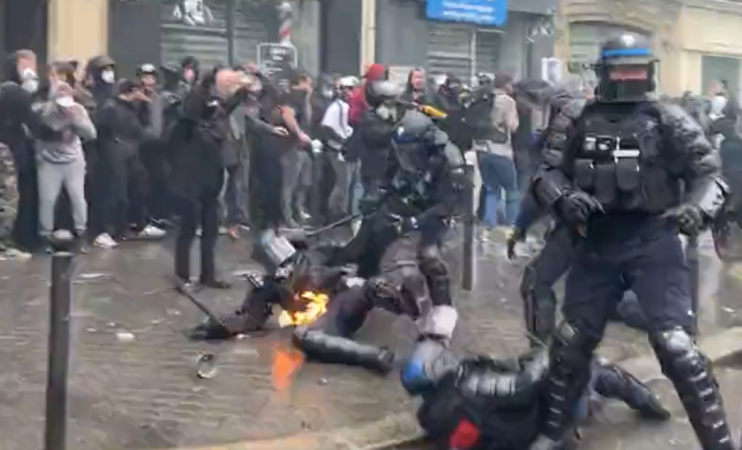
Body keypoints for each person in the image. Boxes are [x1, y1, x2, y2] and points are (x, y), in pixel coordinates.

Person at [527, 33, 733, 450]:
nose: (628, 78)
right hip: (595, 243)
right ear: (604, 72)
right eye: (621, 69)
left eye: (636, 70)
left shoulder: (669, 119)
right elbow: (545, 174)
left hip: (652, 242)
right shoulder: (576, 117)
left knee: (677, 348)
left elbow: (711, 174)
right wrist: (564, 197)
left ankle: (720, 443)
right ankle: (553, 432)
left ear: (649, 72)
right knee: (570, 345)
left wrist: (698, 208)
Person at [401, 342, 670, 450]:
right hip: (536, 428)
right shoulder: (469, 386)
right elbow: (524, 386)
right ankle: (647, 401)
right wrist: (552, 357)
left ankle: (644, 401)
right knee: (591, 365)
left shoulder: (433, 415)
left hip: (509, 431)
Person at [34, 62, 97, 252]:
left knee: (78, 197)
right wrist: (57, 113)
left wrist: (76, 119)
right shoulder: (43, 108)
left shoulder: (78, 109)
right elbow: (43, 126)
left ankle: (81, 234)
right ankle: (45, 238)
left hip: (73, 160)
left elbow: (92, 134)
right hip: (48, 159)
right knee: (47, 199)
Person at [0, 50, 43, 253]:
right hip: (12, 151)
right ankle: (14, 240)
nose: (31, 71)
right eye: (27, 66)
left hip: (14, 148)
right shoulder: (13, 92)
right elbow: (33, 123)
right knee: (14, 197)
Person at [476, 72, 520, 236]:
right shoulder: (508, 101)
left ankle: (490, 224)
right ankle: (512, 224)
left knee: (491, 189)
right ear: (506, 84)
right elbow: (512, 126)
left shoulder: (483, 98)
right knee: (512, 190)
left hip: (482, 150)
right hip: (501, 152)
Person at [278, 69, 314, 228]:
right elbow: (287, 115)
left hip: (303, 148)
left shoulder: (303, 98)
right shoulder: (290, 96)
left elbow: (308, 117)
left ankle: (298, 211)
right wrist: (298, 134)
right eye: (306, 83)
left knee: (303, 182)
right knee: (289, 184)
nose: (309, 86)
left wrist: (307, 98)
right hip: (289, 146)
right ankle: (286, 218)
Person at [321, 75, 357, 220]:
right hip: (337, 149)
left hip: (347, 148)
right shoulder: (336, 107)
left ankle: (341, 211)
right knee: (342, 183)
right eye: (347, 89)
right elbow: (327, 127)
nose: (350, 93)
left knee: (347, 183)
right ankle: (332, 213)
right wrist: (342, 140)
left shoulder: (349, 106)